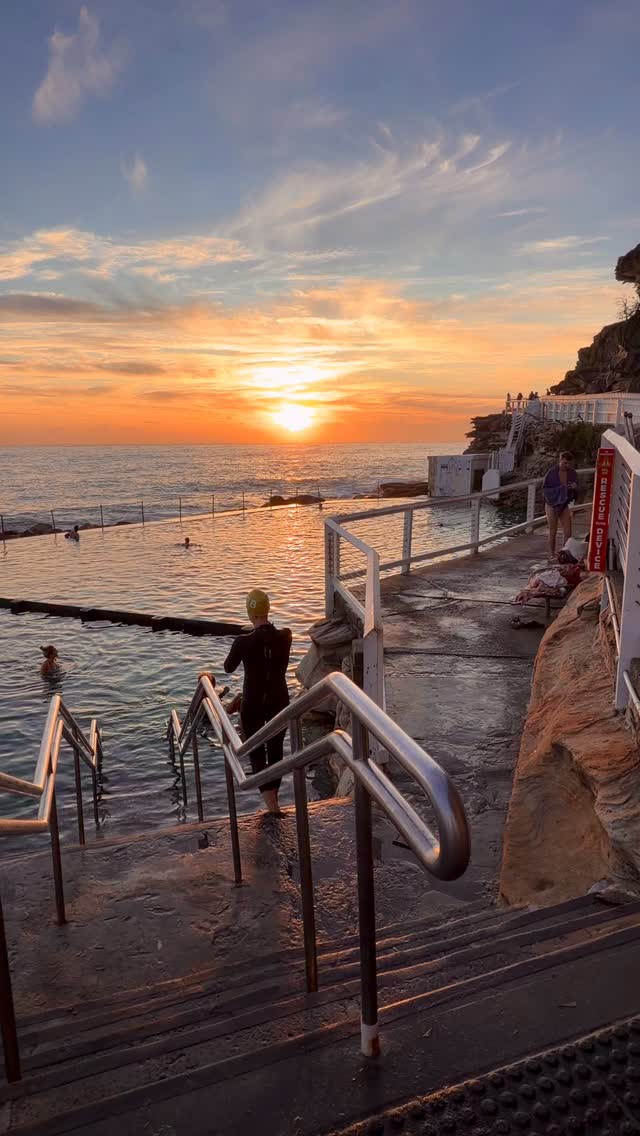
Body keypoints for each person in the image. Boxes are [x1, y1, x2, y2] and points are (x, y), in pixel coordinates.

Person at [223, 589, 292, 815]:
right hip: (279, 700)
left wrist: (241, 645)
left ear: (250, 612)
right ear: (268, 609)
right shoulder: (286, 636)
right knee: (275, 751)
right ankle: (275, 803)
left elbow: (228, 667)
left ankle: (272, 807)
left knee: (255, 752)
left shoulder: (243, 642)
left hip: (252, 702)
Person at [543, 451, 578, 559]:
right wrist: (560, 490)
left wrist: (574, 487)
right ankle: (551, 555)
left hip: (564, 504)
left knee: (568, 531)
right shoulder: (551, 473)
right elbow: (545, 490)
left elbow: (576, 489)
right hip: (551, 504)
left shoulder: (572, 473)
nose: (566, 466)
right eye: (564, 463)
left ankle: (564, 554)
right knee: (552, 530)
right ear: (560, 460)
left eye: (568, 464)